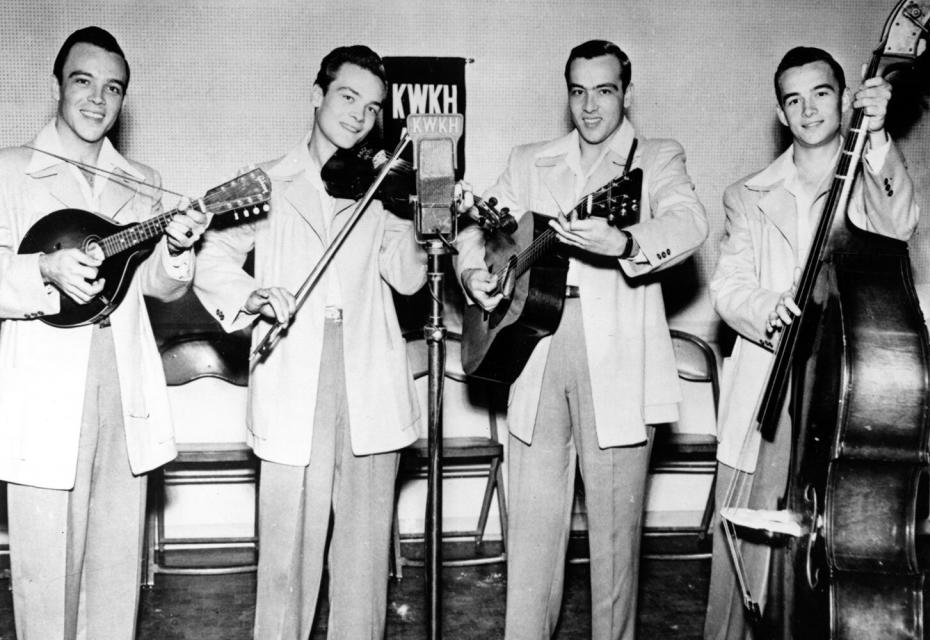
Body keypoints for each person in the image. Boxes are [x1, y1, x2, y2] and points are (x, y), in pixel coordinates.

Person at [457, 39, 709, 639]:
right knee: (533, 530)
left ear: (626, 90)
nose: (590, 106)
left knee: (615, 540)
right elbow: (476, 228)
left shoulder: (656, 158)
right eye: (577, 92)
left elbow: (690, 223)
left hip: (617, 359)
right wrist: (474, 274)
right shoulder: (529, 159)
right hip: (534, 349)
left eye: (604, 90)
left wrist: (623, 243)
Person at [192, 45, 426, 639]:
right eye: (348, 97)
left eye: (373, 108)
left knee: (364, 563)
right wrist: (251, 295)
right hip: (296, 368)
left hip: (369, 373)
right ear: (318, 94)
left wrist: (421, 218)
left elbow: (408, 278)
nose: (359, 116)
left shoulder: (383, 187)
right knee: (286, 563)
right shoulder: (269, 180)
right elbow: (211, 259)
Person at [704, 46, 920, 639]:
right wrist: (764, 309)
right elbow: (728, 286)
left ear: (845, 98)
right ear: (781, 112)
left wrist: (876, 141)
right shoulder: (746, 194)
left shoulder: (868, 175)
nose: (808, 109)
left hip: (843, 392)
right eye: (793, 99)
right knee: (741, 568)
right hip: (769, 384)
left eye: (821, 93)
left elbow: (900, 225)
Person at [0, 26, 208, 640]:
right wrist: (42, 268)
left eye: (112, 88)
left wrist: (175, 249)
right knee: (46, 576)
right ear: (58, 87)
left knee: (117, 571)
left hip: (125, 385)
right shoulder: (9, 172)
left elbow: (157, 289)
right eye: (83, 82)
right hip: (43, 393)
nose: (97, 99)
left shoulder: (142, 180)